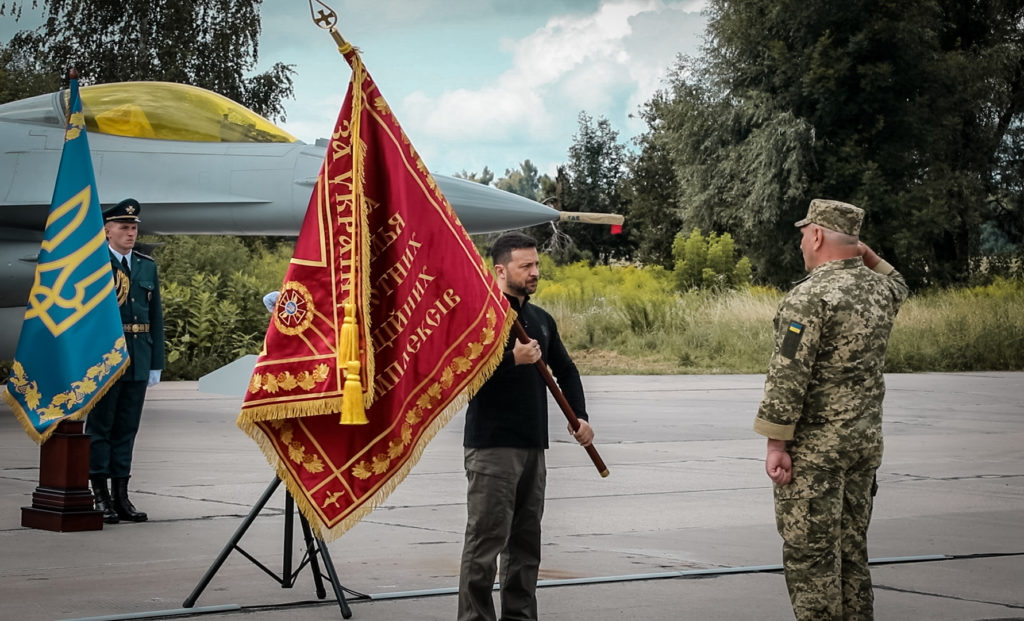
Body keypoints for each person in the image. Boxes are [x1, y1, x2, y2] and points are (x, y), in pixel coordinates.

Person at [753, 199, 909, 620]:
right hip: (862, 447)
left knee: (811, 559)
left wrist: (776, 445)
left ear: (818, 235)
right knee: (851, 551)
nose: (803, 243)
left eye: (805, 234)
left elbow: (787, 377)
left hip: (817, 455)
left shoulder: (809, 297)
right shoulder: (881, 292)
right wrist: (861, 250)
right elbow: (897, 280)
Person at [458, 231, 595, 621]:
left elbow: (566, 370)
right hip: (492, 449)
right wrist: (509, 361)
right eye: (526, 266)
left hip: (533, 446)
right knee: (485, 545)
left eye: (537, 265)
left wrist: (580, 416)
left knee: (525, 546)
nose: (535, 272)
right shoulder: (481, 317)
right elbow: (460, 377)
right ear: (500, 270)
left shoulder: (539, 319)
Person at [87, 198, 165, 524]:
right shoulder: (95, 265)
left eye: (134, 228)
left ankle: (121, 497)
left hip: (139, 355)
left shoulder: (146, 266)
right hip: (107, 358)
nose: (130, 233)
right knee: (101, 428)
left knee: (126, 430)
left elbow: (156, 317)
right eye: (124, 227)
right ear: (107, 230)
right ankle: (100, 495)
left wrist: (155, 363)